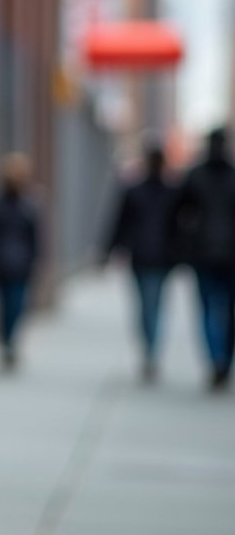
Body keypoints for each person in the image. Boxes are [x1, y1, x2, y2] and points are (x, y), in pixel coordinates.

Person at [101, 141, 177, 382]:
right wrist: (109, 249)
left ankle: (150, 350)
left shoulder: (166, 191)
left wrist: (109, 250)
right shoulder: (153, 191)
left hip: (154, 257)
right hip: (149, 257)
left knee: (149, 304)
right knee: (151, 304)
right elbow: (119, 222)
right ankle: (151, 350)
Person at [172, 126, 235, 390]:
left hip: (204, 254)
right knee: (228, 310)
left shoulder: (196, 175)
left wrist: (186, 239)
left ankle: (216, 358)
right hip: (229, 254)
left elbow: (177, 211)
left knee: (209, 307)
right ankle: (223, 360)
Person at [0, 153, 40, 369]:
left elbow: (35, 239)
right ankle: (7, 341)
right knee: (6, 306)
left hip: (20, 267)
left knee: (16, 306)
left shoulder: (28, 208)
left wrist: (35, 262)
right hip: (3, 266)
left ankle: (9, 341)